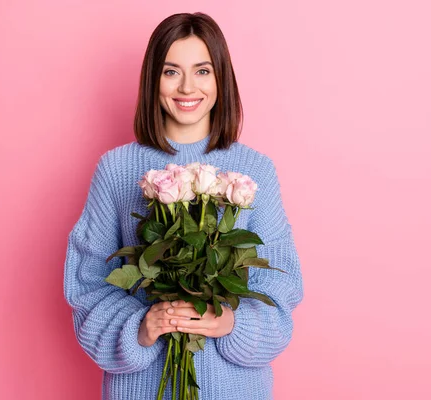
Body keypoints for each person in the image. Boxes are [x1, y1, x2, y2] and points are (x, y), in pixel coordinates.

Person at [64, 12, 303, 400]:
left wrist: (232, 324)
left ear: (221, 78)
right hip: (141, 389)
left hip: (235, 388)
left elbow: (281, 286)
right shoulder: (116, 170)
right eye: (171, 71)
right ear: (152, 80)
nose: (187, 86)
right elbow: (88, 284)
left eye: (202, 71)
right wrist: (142, 325)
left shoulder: (255, 171)